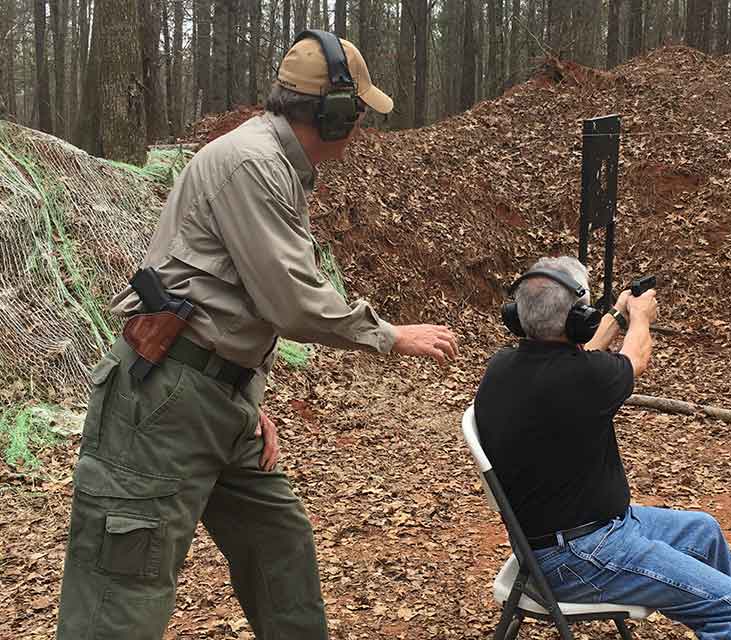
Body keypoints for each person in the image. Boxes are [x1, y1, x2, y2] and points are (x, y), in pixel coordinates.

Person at [56, 32, 458, 640]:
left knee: (279, 547)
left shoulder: (276, 167)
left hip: (214, 396)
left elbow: (234, 303)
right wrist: (388, 335)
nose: (359, 128)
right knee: (122, 591)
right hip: (163, 406)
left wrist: (245, 394)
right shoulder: (253, 165)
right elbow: (292, 302)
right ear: (334, 113)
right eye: (356, 114)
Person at [474, 256, 731, 639]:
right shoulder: (584, 378)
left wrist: (615, 311)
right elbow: (637, 357)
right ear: (576, 322)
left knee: (704, 531)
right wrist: (641, 316)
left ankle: (716, 617)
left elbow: (583, 355)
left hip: (580, 536)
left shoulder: (505, 366)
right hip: (580, 556)